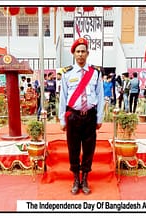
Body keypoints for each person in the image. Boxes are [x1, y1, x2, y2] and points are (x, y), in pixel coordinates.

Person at [58, 37, 104, 195]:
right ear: (73, 54)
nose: (80, 54)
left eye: (83, 51)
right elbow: (63, 97)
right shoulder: (66, 73)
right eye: (77, 51)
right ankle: (76, 178)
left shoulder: (95, 73)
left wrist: (99, 118)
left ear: (87, 53)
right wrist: (62, 119)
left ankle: (85, 178)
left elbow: (100, 95)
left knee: (89, 149)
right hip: (73, 116)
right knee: (73, 149)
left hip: (90, 116)